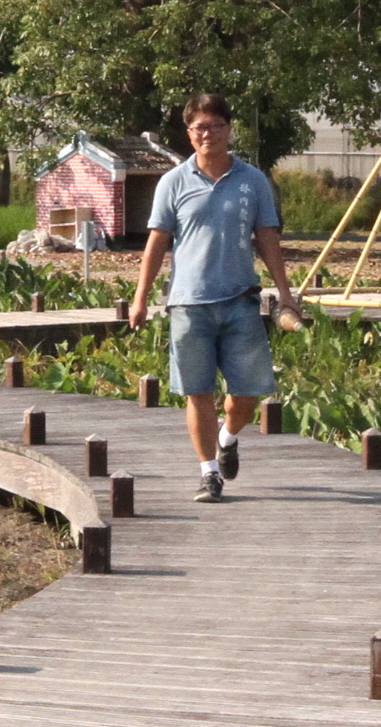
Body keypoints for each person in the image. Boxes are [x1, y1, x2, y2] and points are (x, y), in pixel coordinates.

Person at [125, 93, 305, 500]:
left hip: (241, 299)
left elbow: (267, 238)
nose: (208, 134)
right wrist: (140, 297)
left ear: (228, 129)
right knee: (198, 391)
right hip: (189, 303)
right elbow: (156, 242)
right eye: (199, 128)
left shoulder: (252, 180)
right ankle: (208, 473)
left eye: (216, 126)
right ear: (189, 134)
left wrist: (285, 293)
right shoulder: (173, 182)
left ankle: (228, 437)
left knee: (245, 396)